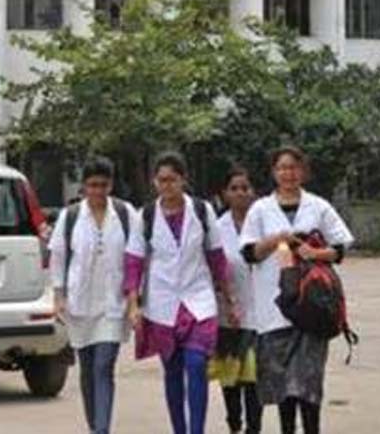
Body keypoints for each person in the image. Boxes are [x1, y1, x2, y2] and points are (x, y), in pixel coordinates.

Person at [239, 146, 355, 434]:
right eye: (282, 168)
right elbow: (249, 253)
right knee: (283, 387)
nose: (288, 173)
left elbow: (341, 248)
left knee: (309, 383)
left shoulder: (318, 206)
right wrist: (276, 240)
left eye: (293, 167)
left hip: (312, 306)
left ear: (302, 171)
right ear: (273, 172)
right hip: (274, 308)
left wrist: (314, 253)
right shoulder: (261, 209)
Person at [124, 152, 238, 434]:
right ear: (154, 182)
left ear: (183, 180)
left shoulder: (201, 211)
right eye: (161, 180)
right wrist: (133, 304)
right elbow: (134, 262)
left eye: (172, 180)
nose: (167, 186)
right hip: (162, 304)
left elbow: (216, 257)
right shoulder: (145, 216)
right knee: (173, 372)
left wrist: (229, 299)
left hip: (198, 299)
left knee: (197, 365)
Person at [48, 157, 141, 434]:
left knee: (104, 366)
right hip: (80, 305)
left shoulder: (125, 214)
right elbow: (58, 257)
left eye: (103, 185)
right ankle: (95, 427)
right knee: (87, 371)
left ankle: (102, 430)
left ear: (110, 185)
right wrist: (58, 296)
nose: (97, 191)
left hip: (113, 305)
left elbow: (136, 259)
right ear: (84, 187)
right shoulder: (71, 216)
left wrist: (134, 301)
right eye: (92, 185)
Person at [209, 167, 262, 434]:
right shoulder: (216, 230)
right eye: (234, 188)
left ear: (253, 192)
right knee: (231, 379)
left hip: (260, 315)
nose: (241, 193)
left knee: (254, 378)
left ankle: (254, 428)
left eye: (245, 188)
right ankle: (234, 424)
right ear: (224, 194)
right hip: (227, 315)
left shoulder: (263, 225)